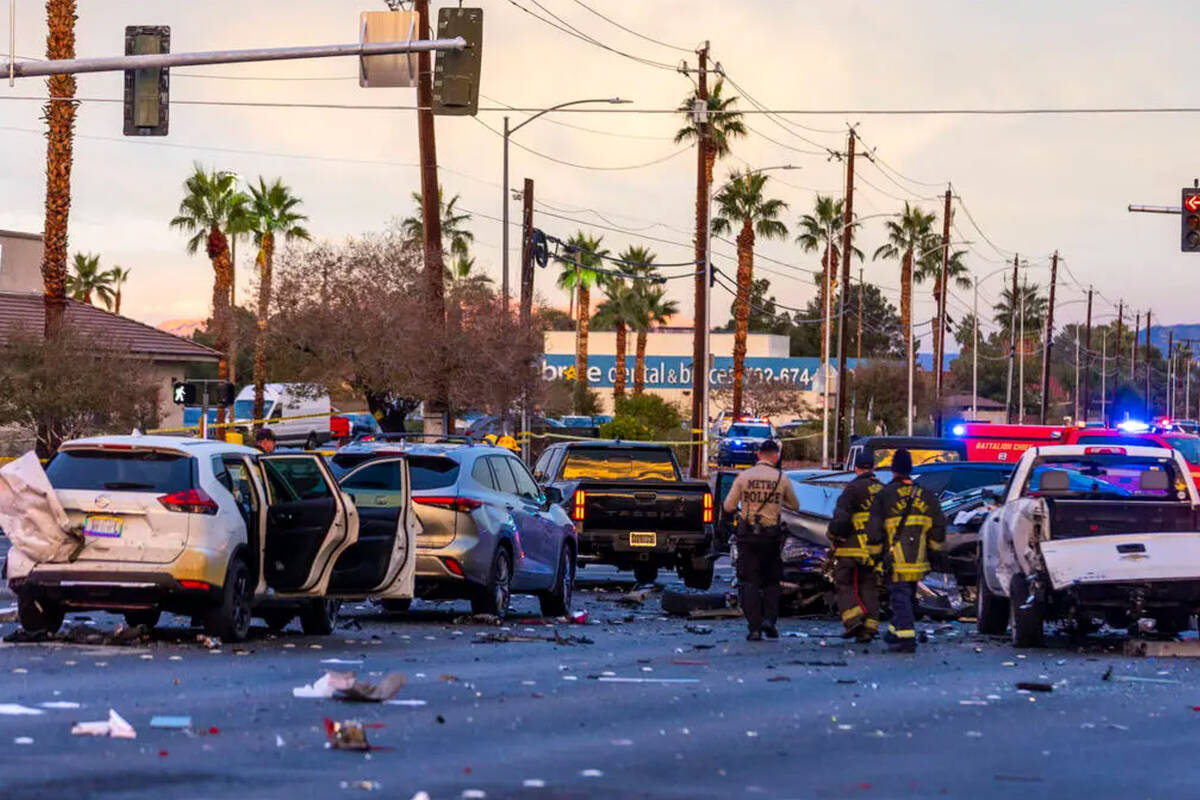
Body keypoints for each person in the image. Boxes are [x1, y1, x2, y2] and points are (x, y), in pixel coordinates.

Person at [866, 448, 946, 653]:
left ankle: (905, 636)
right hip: (919, 557)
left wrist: (874, 555)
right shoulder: (925, 494)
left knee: (899, 596)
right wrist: (934, 551)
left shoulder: (885, 495)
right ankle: (895, 631)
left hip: (895, 557)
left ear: (893, 470)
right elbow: (938, 525)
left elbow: (874, 528)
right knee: (907, 595)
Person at [722, 439, 799, 641]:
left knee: (749, 582)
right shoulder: (781, 478)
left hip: (747, 536)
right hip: (771, 536)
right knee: (772, 582)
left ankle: (754, 628)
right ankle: (769, 621)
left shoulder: (744, 477)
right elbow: (795, 505)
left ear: (758, 455)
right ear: (776, 456)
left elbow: (729, 506)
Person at [827, 450, 883, 643]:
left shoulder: (852, 489)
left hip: (851, 548)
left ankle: (854, 620)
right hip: (875, 550)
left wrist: (833, 536)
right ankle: (869, 627)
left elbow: (841, 520)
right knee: (869, 585)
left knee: (844, 583)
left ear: (856, 468)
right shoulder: (882, 490)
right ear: (873, 467)